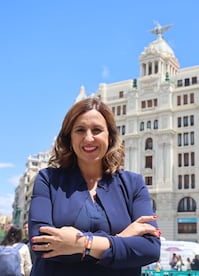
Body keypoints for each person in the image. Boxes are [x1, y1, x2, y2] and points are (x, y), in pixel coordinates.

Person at [28, 97, 161, 275]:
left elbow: (150, 249)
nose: (89, 138)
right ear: (69, 138)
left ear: (110, 136)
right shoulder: (48, 180)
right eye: (80, 130)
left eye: (97, 130)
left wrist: (82, 244)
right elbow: (41, 244)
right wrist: (121, 239)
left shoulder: (133, 184)